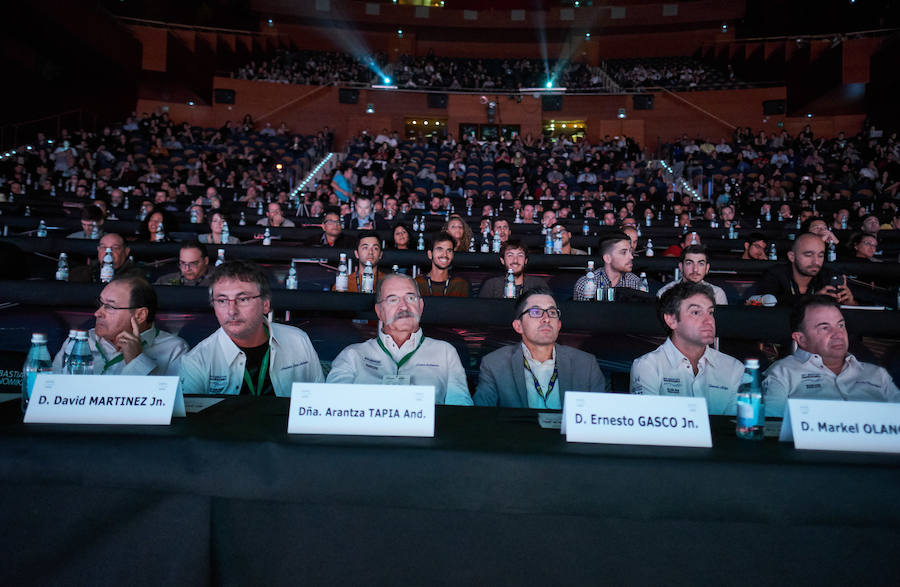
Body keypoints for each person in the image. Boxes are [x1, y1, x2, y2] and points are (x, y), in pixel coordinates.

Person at [179, 260, 323, 395]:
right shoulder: (196, 361)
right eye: (222, 300)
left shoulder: (298, 340)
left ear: (265, 304)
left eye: (243, 299)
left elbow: (319, 402)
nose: (231, 311)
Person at [326, 273, 472, 405]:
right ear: (379, 311)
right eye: (393, 300)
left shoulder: (445, 352)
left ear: (420, 306)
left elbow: (460, 413)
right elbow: (332, 408)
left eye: (410, 298)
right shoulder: (352, 355)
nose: (404, 307)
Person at [763, 295, 900, 417]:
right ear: (801, 339)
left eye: (840, 325)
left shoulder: (877, 374)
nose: (838, 334)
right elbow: (772, 429)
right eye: (824, 327)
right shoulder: (782, 373)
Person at [475, 287, 605, 408]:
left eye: (552, 312)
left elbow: (601, 418)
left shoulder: (586, 364)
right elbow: (481, 416)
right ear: (518, 326)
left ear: (558, 325)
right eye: (536, 312)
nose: (546, 319)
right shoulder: (495, 364)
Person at [630, 282, 742, 415]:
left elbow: (733, 429)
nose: (709, 321)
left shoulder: (734, 368)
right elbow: (648, 426)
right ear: (671, 320)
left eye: (710, 312)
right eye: (696, 312)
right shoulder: (648, 366)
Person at [53, 275, 189, 376]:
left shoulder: (174, 350)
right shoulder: (79, 341)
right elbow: (51, 392)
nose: (97, 313)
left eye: (110, 307)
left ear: (140, 315)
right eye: (100, 304)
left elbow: (163, 406)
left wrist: (137, 359)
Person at [753, 233, 855, 306]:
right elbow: (761, 304)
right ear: (792, 256)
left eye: (820, 255)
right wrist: (812, 300)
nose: (816, 261)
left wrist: (850, 304)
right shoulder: (774, 274)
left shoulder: (828, 276)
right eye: (808, 255)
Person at [573, 233, 642, 300]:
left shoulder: (636, 283)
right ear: (607, 258)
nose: (631, 257)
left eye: (630, 252)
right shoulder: (584, 284)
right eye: (623, 252)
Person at [656, 245, 728, 304]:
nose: (695, 269)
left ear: (707, 268)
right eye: (689, 263)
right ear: (681, 267)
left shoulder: (717, 294)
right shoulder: (664, 293)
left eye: (701, 264)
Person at [479, 240, 549, 298]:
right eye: (510, 255)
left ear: (525, 261)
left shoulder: (538, 284)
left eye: (520, 255)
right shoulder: (492, 285)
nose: (515, 260)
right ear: (502, 260)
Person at [70, 233, 143, 284]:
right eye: (103, 247)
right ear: (98, 250)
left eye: (115, 248)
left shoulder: (136, 277)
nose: (108, 252)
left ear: (126, 251)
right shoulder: (82, 273)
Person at [415, 232, 470, 297]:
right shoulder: (417, 283)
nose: (445, 255)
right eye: (439, 250)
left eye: (449, 250)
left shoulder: (461, 284)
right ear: (430, 254)